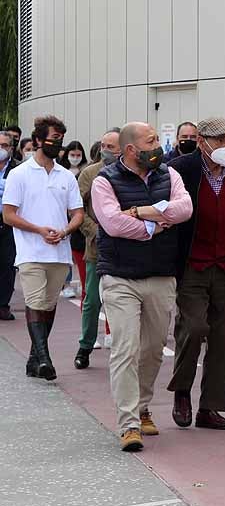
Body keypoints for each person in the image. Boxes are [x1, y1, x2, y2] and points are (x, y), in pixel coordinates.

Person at [92, 121, 193, 451]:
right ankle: (128, 423)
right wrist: (154, 227)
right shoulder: (104, 181)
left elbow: (184, 208)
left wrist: (141, 211)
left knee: (152, 350)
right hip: (119, 276)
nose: (158, 147)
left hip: (161, 276)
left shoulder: (169, 174)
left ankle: (142, 404)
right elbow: (112, 223)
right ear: (131, 149)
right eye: (151, 142)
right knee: (126, 347)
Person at [167, 118, 225, 431]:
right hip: (193, 264)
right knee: (193, 327)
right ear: (202, 141)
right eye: (220, 141)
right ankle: (182, 392)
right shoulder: (181, 170)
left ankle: (210, 407)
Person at [2, 116, 85, 381]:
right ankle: (45, 358)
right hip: (31, 252)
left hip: (59, 252)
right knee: (35, 302)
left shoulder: (66, 177)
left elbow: (78, 214)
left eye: (61, 140)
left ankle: (33, 359)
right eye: (53, 139)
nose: (58, 145)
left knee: (48, 306)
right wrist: (38, 230)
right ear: (37, 140)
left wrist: (66, 230)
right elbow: (8, 215)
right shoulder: (19, 174)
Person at [74, 128, 121, 369]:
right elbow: (77, 210)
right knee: (92, 299)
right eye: (103, 145)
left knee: (123, 299)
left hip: (126, 246)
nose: (105, 150)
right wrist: (94, 231)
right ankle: (85, 345)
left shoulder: (132, 172)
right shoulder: (89, 174)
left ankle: (124, 347)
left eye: (111, 146)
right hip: (96, 246)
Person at [58, 141, 90, 301]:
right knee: (65, 251)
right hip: (61, 217)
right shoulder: (60, 171)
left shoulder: (86, 171)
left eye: (78, 155)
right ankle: (66, 283)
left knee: (74, 251)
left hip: (76, 218)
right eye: (72, 155)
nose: (75, 158)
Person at [0, 132, 20, 321]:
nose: (2, 149)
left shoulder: (17, 170)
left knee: (7, 264)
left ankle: (3, 304)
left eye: (5, 145)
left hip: (9, 223)